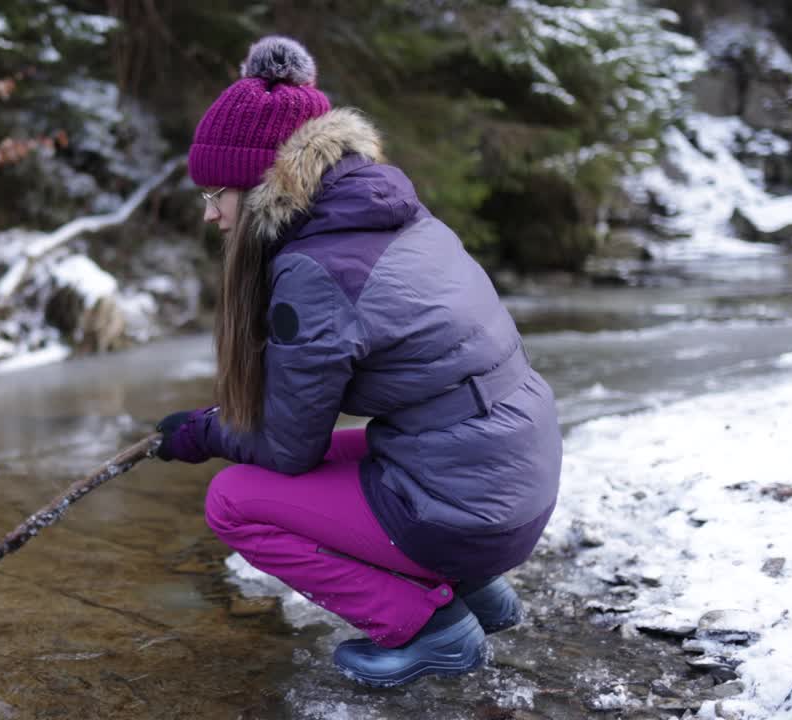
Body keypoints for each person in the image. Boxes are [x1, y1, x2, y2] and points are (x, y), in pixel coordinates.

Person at [154, 36, 563, 688]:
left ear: (261, 186)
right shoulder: (395, 215)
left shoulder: (314, 270)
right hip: (516, 479)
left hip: (467, 508)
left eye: (216, 194)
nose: (210, 214)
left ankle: (429, 627)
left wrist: (203, 432)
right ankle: (478, 591)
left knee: (234, 501)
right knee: (356, 452)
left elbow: (290, 449)